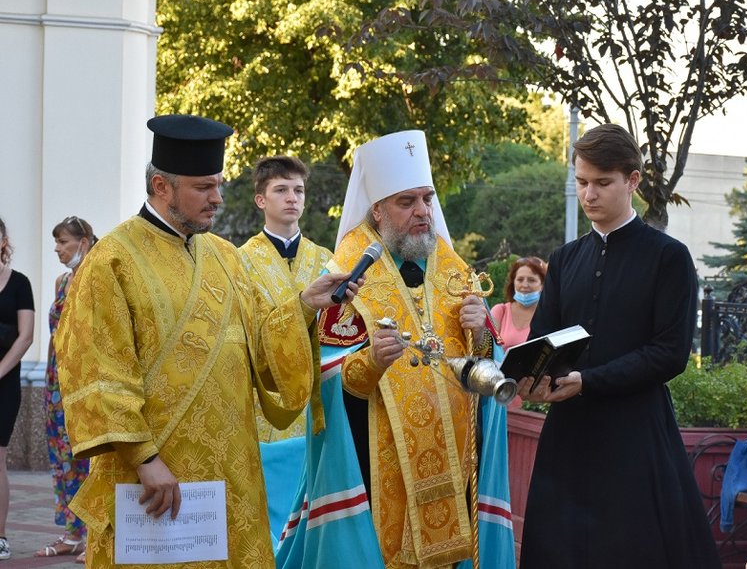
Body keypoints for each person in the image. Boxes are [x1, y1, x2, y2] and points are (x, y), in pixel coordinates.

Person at [55, 114, 359, 569]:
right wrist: (145, 459)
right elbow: (99, 365)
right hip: (156, 477)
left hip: (230, 475)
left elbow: (261, 344)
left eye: (218, 184)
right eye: (203, 187)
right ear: (161, 186)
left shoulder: (224, 257)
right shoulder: (112, 260)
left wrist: (303, 308)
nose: (217, 198)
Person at [275, 130, 515, 569]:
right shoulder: (348, 270)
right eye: (408, 202)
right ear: (377, 209)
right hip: (378, 459)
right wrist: (371, 363)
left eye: (427, 199)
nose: (423, 212)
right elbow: (326, 376)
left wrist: (481, 333)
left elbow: (481, 360)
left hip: (452, 452)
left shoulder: (451, 265)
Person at [517, 123, 720, 568]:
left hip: (636, 436)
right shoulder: (566, 258)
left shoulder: (668, 258)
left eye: (602, 183)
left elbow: (670, 354)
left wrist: (588, 381)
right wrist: (531, 376)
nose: (589, 195)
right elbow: (543, 339)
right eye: (582, 182)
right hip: (568, 437)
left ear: (632, 181)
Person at [240, 155, 333, 443]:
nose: (291, 198)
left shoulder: (326, 260)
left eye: (298, 190)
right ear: (261, 200)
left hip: (319, 405)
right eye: (281, 190)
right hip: (265, 406)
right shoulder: (239, 262)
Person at [34, 217, 96, 563]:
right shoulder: (62, 281)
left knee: (90, 459)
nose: (57, 250)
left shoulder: (97, 277)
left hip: (86, 382)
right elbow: (54, 336)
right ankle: (73, 532)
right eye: (56, 243)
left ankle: (96, 535)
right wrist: (48, 379)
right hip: (57, 382)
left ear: (83, 241)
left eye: (63, 243)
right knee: (64, 460)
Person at [0, 218, 35, 562]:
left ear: (3, 241)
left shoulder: (20, 283)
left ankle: (0, 535)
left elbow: (26, 337)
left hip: (4, 384)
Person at [489, 256, 546, 350]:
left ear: (542, 285)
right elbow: (487, 348)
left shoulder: (549, 315)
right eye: (520, 279)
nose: (525, 285)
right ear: (513, 282)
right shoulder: (500, 311)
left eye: (532, 280)